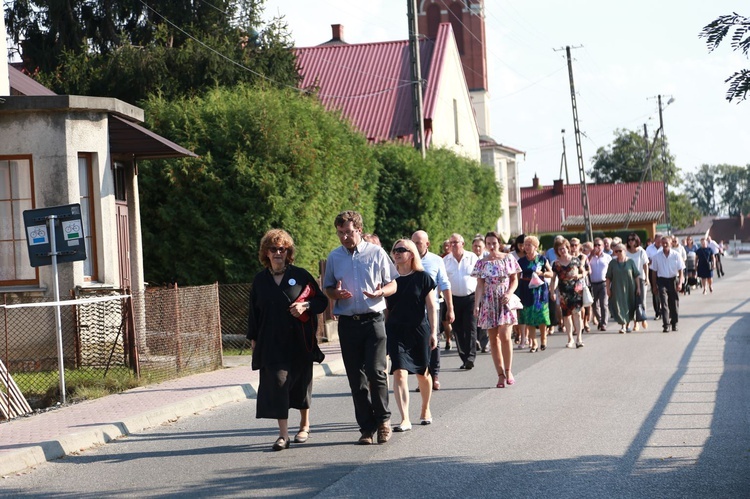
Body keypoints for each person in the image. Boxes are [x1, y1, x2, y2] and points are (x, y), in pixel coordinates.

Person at [247, 229, 329, 451]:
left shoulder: (301, 275)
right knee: (278, 384)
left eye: (282, 249)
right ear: (266, 252)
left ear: (288, 252)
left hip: (298, 341)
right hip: (271, 343)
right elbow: (253, 313)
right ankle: (283, 435)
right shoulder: (260, 280)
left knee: (301, 384)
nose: (277, 253)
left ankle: (304, 424)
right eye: (273, 249)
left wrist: (306, 305)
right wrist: (253, 339)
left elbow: (321, 301)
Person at [323, 210, 398, 445]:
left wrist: (380, 292)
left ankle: (384, 422)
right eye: (340, 233)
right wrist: (337, 293)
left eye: (349, 232)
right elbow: (328, 288)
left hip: (373, 321)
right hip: (348, 323)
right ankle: (366, 427)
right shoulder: (334, 257)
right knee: (356, 378)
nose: (345, 237)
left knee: (376, 373)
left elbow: (393, 284)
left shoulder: (376, 253)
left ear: (359, 230)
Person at [386, 239, 438, 431]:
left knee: (422, 373)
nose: (397, 253)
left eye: (402, 249)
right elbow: (386, 310)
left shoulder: (422, 277)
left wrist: (433, 332)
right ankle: (405, 418)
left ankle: (425, 408)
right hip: (396, 330)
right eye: (395, 250)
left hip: (419, 330)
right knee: (399, 372)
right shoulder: (389, 278)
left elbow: (431, 307)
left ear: (412, 254)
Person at [473, 231, 521, 388]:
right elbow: (480, 284)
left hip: (504, 299)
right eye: (488, 244)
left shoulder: (508, 258)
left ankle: (509, 370)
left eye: (494, 243)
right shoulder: (482, 262)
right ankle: (500, 374)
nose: (491, 246)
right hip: (489, 300)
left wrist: (509, 293)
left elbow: (514, 280)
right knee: (493, 339)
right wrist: (477, 304)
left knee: (505, 336)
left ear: (499, 243)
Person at [412, 230, 454, 390]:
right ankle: (422, 378)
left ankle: (434, 375)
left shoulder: (436, 260)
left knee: (432, 341)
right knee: (417, 344)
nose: (415, 246)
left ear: (427, 244)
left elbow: (444, 284)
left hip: (432, 308)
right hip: (413, 310)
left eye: (418, 243)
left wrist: (450, 308)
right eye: (413, 242)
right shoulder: (406, 260)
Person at [444, 233, 480, 371]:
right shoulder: (446, 260)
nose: (452, 245)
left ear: (462, 244)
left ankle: (471, 357)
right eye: (450, 243)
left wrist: (479, 300)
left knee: (470, 327)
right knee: (458, 329)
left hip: (470, 297)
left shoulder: (472, 258)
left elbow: (479, 279)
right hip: (453, 299)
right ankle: (464, 357)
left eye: (455, 242)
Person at [517, 236, 552, 352]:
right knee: (529, 317)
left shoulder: (542, 259)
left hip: (540, 290)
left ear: (535, 247)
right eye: (525, 245)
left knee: (541, 315)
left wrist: (542, 273)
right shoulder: (521, 261)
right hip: (526, 289)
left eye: (529, 245)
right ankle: (534, 343)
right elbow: (516, 277)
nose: (526, 247)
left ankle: (543, 338)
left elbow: (551, 273)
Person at [550, 238, 585, 348]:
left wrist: (578, 276)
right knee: (566, 315)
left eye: (563, 248)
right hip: (563, 291)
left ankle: (579, 338)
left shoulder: (575, 260)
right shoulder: (556, 264)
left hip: (576, 290)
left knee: (577, 314)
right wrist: (552, 291)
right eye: (559, 249)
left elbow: (583, 272)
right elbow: (553, 279)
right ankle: (570, 339)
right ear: (557, 251)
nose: (562, 251)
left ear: (567, 248)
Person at [650, 236, 685, 333]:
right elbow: (654, 272)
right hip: (662, 281)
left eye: (667, 243)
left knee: (673, 303)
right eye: (663, 242)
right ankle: (666, 325)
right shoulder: (657, 256)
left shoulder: (676, 255)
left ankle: (674, 323)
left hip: (673, 280)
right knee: (664, 303)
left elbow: (681, 269)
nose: (665, 244)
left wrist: (680, 283)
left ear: (671, 243)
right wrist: (654, 286)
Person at [606, 243, 642, 333]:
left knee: (629, 305)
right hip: (617, 288)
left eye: (620, 251)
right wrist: (608, 289)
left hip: (630, 287)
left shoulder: (630, 262)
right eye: (616, 251)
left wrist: (638, 288)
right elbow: (608, 277)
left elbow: (636, 275)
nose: (618, 253)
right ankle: (623, 325)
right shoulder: (612, 263)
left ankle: (628, 324)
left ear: (625, 251)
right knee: (619, 306)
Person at [625, 233, 650, 330]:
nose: (631, 241)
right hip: (629, 278)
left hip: (640, 277)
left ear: (636, 240)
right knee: (631, 301)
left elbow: (645, 265)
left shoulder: (641, 252)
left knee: (641, 300)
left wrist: (647, 277)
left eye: (632, 239)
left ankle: (642, 318)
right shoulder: (626, 252)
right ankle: (634, 323)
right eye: (629, 239)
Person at [588, 238, 612, 332]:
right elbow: (585, 265)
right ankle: (600, 320)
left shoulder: (607, 257)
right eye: (595, 245)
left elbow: (610, 270)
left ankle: (604, 324)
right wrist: (590, 256)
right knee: (594, 305)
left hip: (603, 283)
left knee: (604, 304)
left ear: (602, 246)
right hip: (593, 283)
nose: (597, 247)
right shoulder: (590, 257)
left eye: (599, 245)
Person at [471, 234, 489, 353]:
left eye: (480, 246)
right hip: (472, 292)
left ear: (484, 248)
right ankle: (476, 340)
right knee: (475, 318)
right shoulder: (469, 258)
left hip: (486, 293)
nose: (477, 249)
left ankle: (485, 342)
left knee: (485, 318)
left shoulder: (487, 259)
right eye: (475, 246)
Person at [645, 233, 663, 321]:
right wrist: (650, 261)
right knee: (655, 291)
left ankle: (664, 310)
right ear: (655, 240)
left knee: (663, 291)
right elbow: (646, 260)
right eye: (658, 240)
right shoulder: (649, 248)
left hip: (662, 271)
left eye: (661, 241)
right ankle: (657, 312)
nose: (660, 242)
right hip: (652, 271)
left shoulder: (664, 247)